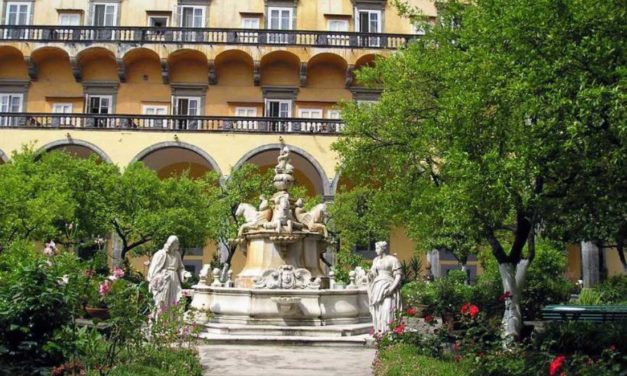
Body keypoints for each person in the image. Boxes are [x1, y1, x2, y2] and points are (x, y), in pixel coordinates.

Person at [368, 241, 403, 333]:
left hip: (388, 286)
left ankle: (389, 331)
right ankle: (380, 331)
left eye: (377, 248)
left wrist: (391, 288)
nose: (375, 250)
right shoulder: (375, 260)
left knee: (388, 309)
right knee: (378, 310)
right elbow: (373, 273)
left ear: (383, 248)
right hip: (377, 287)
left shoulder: (392, 259)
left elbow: (398, 275)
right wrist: (369, 274)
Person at [147, 235, 187, 315]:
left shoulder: (177, 255)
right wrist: (155, 281)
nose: (178, 245)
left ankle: (173, 323)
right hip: (164, 281)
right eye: (177, 243)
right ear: (172, 244)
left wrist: (184, 274)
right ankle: (160, 324)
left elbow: (180, 268)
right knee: (162, 302)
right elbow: (154, 269)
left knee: (178, 299)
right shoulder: (161, 254)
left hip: (175, 281)